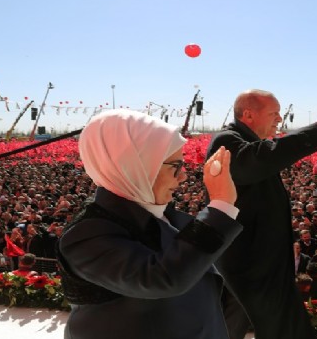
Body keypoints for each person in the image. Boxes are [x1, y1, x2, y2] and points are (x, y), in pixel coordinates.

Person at [57, 109, 243, 339]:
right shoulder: (87, 233)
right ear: (135, 165)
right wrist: (220, 206)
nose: (183, 177)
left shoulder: (163, 215)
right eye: (174, 166)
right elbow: (160, 279)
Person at [205, 89, 317, 339]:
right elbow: (258, 160)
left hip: (263, 264)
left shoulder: (248, 143)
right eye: (274, 113)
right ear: (248, 115)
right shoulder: (227, 141)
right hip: (248, 264)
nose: (280, 119)